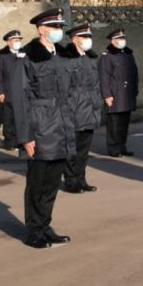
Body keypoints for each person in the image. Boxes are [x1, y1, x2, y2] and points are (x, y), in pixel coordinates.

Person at [13, 8, 76, 248]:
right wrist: (25, 137)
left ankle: (45, 225)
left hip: (61, 127)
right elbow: (20, 100)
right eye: (53, 27)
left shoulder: (61, 56)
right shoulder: (27, 57)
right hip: (39, 128)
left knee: (51, 184)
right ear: (41, 29)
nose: (58, 31)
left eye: (60, 27)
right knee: (37, 185)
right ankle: (34, 231)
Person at [61, 24, 102, 194]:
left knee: (84, 151)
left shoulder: (90, 59)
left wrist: (97, 103)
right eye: (85, 37)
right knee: (72, 150)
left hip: (90, 111)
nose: (88, 40)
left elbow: (96, 85)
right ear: (74, 39)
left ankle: (81, 179)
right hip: (74, 112)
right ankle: (71, 182)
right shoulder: (66, 59)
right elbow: (63, 88)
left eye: (89, 37)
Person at [99, 27, 139, 158]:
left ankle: (122, 146)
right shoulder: (107, 56)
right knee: (114, 123)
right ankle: (113, 148)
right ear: (112, 41)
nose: (122, 40)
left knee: (124, 123)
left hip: (127, 94)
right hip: (115, 94)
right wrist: (107, 95)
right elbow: (104, 76)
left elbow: (134, 73)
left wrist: (135, 90)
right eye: (119, 38)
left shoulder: (128, 54)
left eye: (123, 38)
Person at [0, 30, 25, 150]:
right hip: (9, 92)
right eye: (15, 40)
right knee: (9, 119)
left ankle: (21, 141)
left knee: (21, 119)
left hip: (23, 92)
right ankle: (10, 142)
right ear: (8, 42)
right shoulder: (2, 56)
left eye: (19, 40)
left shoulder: (24, 54)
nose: (18, 42)